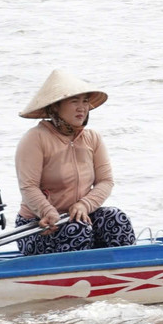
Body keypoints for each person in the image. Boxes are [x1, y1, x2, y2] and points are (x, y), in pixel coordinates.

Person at [14, 69, 136, 254]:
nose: (82, 107)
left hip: (80, 216)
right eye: (74, 101)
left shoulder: (93, 138)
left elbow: (106, 181)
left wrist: (83, 205)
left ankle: (128, 271)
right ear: (55, 106)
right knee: (78, 230)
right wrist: (48, 212)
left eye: (85, 101)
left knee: (116, 218)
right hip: (40, 224)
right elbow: (28, 187)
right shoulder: (35, 139)